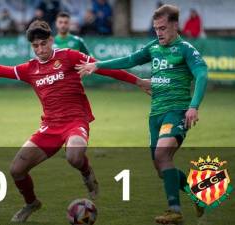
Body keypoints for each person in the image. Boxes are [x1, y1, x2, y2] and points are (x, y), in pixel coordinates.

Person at [0, 20, 150, 223]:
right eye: (35, 46)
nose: (39, 49)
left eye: (43, 44)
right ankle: (31, 203)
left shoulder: (69, 57)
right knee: (16, 170)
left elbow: (103, 67)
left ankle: (87, 173)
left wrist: (138, 81)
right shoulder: (29, 69)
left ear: (51, 41)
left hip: (75, 121)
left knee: (74, 156)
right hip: (50, 127)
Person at [76, 4, 208, 224]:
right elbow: (129, 60)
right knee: (161, 168)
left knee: (162, 156)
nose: (159, 32)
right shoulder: (154, 47)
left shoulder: (185, 49)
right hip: (155, 115)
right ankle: (197, 195)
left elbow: (202, 74)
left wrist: (193, 106)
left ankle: (174, 211)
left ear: (175, 25)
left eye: (163, 28)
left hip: (176, 112)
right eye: (156, 28)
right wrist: (98, 65)